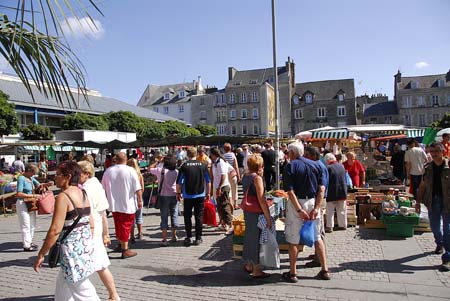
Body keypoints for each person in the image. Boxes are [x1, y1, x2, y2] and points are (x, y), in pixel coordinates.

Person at [33, 161, 99, 300]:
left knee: (83, 291)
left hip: (71, 252)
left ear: (67, 176)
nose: (55, 177)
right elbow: (90, 223)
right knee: (63, 285)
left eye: (58, 175)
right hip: (84, 247)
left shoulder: (63, 197)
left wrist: (41, 254)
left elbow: (55, 230)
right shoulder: (83, 193)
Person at [282, 142, 330, 282]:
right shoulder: (316, 165)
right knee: (317, 236)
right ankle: (325, 269)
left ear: (291, 153)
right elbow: (321, 189)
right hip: (313, 201)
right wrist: (316, 208)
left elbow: (290, 192)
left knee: (293, 239)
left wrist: (299, 209)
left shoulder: (291, 166)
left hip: (297, 202)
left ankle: (293, 273)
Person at [78, 161, 120, 301]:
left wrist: (99, 232)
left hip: (90, 231)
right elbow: (103, 213)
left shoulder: (87, 189)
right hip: (96, 229)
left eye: (78, 172)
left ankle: (113, 295)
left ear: (87, 174)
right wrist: (106, 233)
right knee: (100, 265)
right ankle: (112, 294)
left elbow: (88, 213)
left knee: (97, 265)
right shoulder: (97, 186)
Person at [102, 152, 143, 259]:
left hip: (113, 203)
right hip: (127, 203)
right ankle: (125, 249)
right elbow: (137, 188)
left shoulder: (108, 171)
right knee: (125, 226)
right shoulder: (131, 171)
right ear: (126, 159)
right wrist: (139, 200)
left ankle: (121, 244)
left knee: (118, 225)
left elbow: (104, 187)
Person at [416, 142, 450, 272]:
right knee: (435, 227)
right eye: (432, 152)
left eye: (436, 151)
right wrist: (418, 202)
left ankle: (447, 258)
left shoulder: (449, 166)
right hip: (432, 201)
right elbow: (423, 186)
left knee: (447, 229)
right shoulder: (428, 168)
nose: (434, 154)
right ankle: (439, 243)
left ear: (442, 152)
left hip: (448, 202)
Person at [241, 154, 272, 278]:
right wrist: (268, 217)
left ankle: (248, 264)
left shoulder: (245, 176)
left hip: (248, 211)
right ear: (260, 166)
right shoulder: (257, 178)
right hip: (256, 212)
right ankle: (257, 270)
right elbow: (262, 199)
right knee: (258, 239)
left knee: (249, 237)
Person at [176, 147, 211, 246]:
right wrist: (208, 193)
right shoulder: (203, 165)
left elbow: (179, 182)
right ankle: (198, 237)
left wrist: (178, 193)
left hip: (187, 195)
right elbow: (208, 181)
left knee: (187, 217)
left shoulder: (184, 166)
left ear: (187, 154)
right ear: (196, 154)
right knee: (198, 217)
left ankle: (188, 237)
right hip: (200, 194)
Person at [15, 164, 53, 251]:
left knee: (32, 224)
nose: (33, 175)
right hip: (23, 203)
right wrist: (33, 195)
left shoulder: (30, 178)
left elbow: (39, 185)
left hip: (31, 203)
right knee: (25, 224)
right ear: (28, 171)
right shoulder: (21, 178)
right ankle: (27, 245)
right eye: (33, 173)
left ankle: (29, 241)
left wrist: (48, 184)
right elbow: (18, 193)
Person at [304, 146, 328, 267]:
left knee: (319, 231)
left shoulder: (319, 166)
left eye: (307, 155)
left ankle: (319, 258)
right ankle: (317, 253)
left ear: (313, 155)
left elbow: (322, 188)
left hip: (319, 200)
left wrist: (317, 207)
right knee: (318, 230)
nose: (305, 157)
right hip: (319, 199)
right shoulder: (318, 165)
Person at [150, 155, 179, 246]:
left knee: (164, 216)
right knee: (174, 215)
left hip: (163, 196)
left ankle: (164, 239)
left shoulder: (160, 171)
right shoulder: (176, 172)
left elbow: (150, 168)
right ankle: (174, 236)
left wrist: (158, 161)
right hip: (174, 195)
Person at [210, 146, 233, 234]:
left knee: (225, 206)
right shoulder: (215, 162)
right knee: (220, 207)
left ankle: (230, 224)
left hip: (223, 186)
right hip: (218, 187)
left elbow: (223, 176)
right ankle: (224, 224)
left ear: (213, 154)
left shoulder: (221, 162)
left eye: (211, 155)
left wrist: (219, 187)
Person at [323, 153, 348, 232]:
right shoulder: (341, 166)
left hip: (332, 191)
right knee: (342, 209)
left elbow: (326, 181)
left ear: (327, 160)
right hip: (342, 190)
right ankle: (343, 225)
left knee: (330, 210)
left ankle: (330, 226)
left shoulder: (328, 168)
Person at [127, 158, 145, 243]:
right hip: (139, 197)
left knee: (131, 218)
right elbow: (142, 188)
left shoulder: (128, 174)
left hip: (130, 198)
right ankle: (140, 233)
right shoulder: (139, 175)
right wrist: (140, 197)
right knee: (139, 217)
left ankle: (132, 236)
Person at [223, 143, 240, 210]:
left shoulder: (223, 156)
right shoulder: (233, 155)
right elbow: (236, 166)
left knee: (228, 190)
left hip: (226, 175)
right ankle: (235, 204)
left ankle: (229, 204)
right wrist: (238, 176)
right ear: (230, 148)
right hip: (233, 175)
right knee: (234, 189)